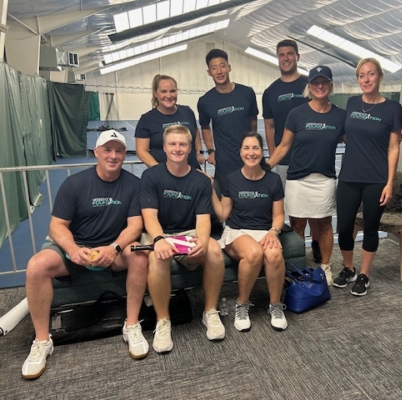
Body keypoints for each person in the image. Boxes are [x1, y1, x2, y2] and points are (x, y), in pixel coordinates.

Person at [21, 130, 149, 380]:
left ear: (125, 154)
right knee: (36, 266)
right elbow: (56, 226)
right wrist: (73, 250)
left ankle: (132, 325)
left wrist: (113, 248)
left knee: (140, 256)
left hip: (113, 250)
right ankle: (42, 340)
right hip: (77, 249)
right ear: (96, 153)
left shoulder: (134, 185)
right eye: (108, 150)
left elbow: (135, 226)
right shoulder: (74, 184)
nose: (113, 156)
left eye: (119, 150)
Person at [140, 124, 226, 353]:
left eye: (182, 144)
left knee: (215, 251)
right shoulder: (151, 176)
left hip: (187, 232)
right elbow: (149, 216)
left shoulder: (200, 181)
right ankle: (163, 321)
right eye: (173, 144)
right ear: (164, 148)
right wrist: (158, 239)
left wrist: (204, 241)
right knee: (158, 258)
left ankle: (210, 312)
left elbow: (203, 219)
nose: (177, 148)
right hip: (160, 232)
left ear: (189, 148)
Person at [268, 66, 346, 286]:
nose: (319, 86)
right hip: (298, 179)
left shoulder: (340, 115)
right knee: (297, 227)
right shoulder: (297, 114)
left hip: (325, 179)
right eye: (315, 83)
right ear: (309, 87)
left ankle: (325, 267)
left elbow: (355, 138)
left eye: (324, 82)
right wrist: (264, 166)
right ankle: (298, 267)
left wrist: (388, 138)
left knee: (324, 226)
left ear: (330, 85)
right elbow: (284, 146)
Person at [333, 58, 401, 296]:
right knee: (343, 227)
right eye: (362, 75)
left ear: (380, 76)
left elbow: (394, 147)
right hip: (349, 176)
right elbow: (343, 135)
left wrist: (390, 182)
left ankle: (364, 274)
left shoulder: (392, 108)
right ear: (358, 79)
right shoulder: (351, 103)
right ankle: (348, 268)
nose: (366, 79)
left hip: (376, 178)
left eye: (371, 74)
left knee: (370, 228)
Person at [206, 132, 287, 332]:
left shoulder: (274, 180)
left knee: (275, 254)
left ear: (262, 152)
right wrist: (210, 190)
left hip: (264, 231)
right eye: (246, 148)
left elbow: (278, 215)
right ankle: (242, 304)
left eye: (255, 148)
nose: (251, 153)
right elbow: (223, 215)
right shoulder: (232, 179)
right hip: (237, 231)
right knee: (254, 253)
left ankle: (275, 305)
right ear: (240, 152)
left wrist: (273, 232)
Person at [262, 39, 322, 264]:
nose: (286, 58)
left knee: (315, 210)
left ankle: (317, 244)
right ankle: (298, 252)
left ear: (297, 56)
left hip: (313, 159)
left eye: (290, 54)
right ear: (277, 58)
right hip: (285, 160)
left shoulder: (312, 84)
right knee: (294, 212)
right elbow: (269, 126)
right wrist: (272, 156)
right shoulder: (270, 92)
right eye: (281, 55)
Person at [197, 49, 259, 190]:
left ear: (229, 67)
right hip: (225, 165)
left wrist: (252, 142)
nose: (219, 71)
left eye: (222, 66)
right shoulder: (205, 101)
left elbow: (253, 119)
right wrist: (211, 150)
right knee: (226, 208)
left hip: (249, 160)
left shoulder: (247, 93)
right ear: (209, 72)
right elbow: (205, 127)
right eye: (214, 68)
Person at [135, 74, 204, 169]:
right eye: (163, 91)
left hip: (191, 171)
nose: (169, 95)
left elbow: (195, 131)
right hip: (164, 177)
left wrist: (199, 152)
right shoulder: (147, 120)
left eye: (172, 91)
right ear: (155, 93)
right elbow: (141, 151)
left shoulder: (187, 112)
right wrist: (159, 170)